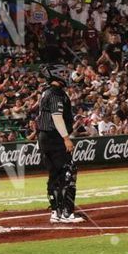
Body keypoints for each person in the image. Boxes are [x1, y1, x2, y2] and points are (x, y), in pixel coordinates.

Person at [36, 71, 85, 223]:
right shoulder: (56, 94)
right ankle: (67, 213)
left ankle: (55, 212)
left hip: (44, 137)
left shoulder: (45, 93)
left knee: (54, 175)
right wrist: (66, 138)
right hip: (55, 137)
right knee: (68, 172)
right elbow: (56, 117)